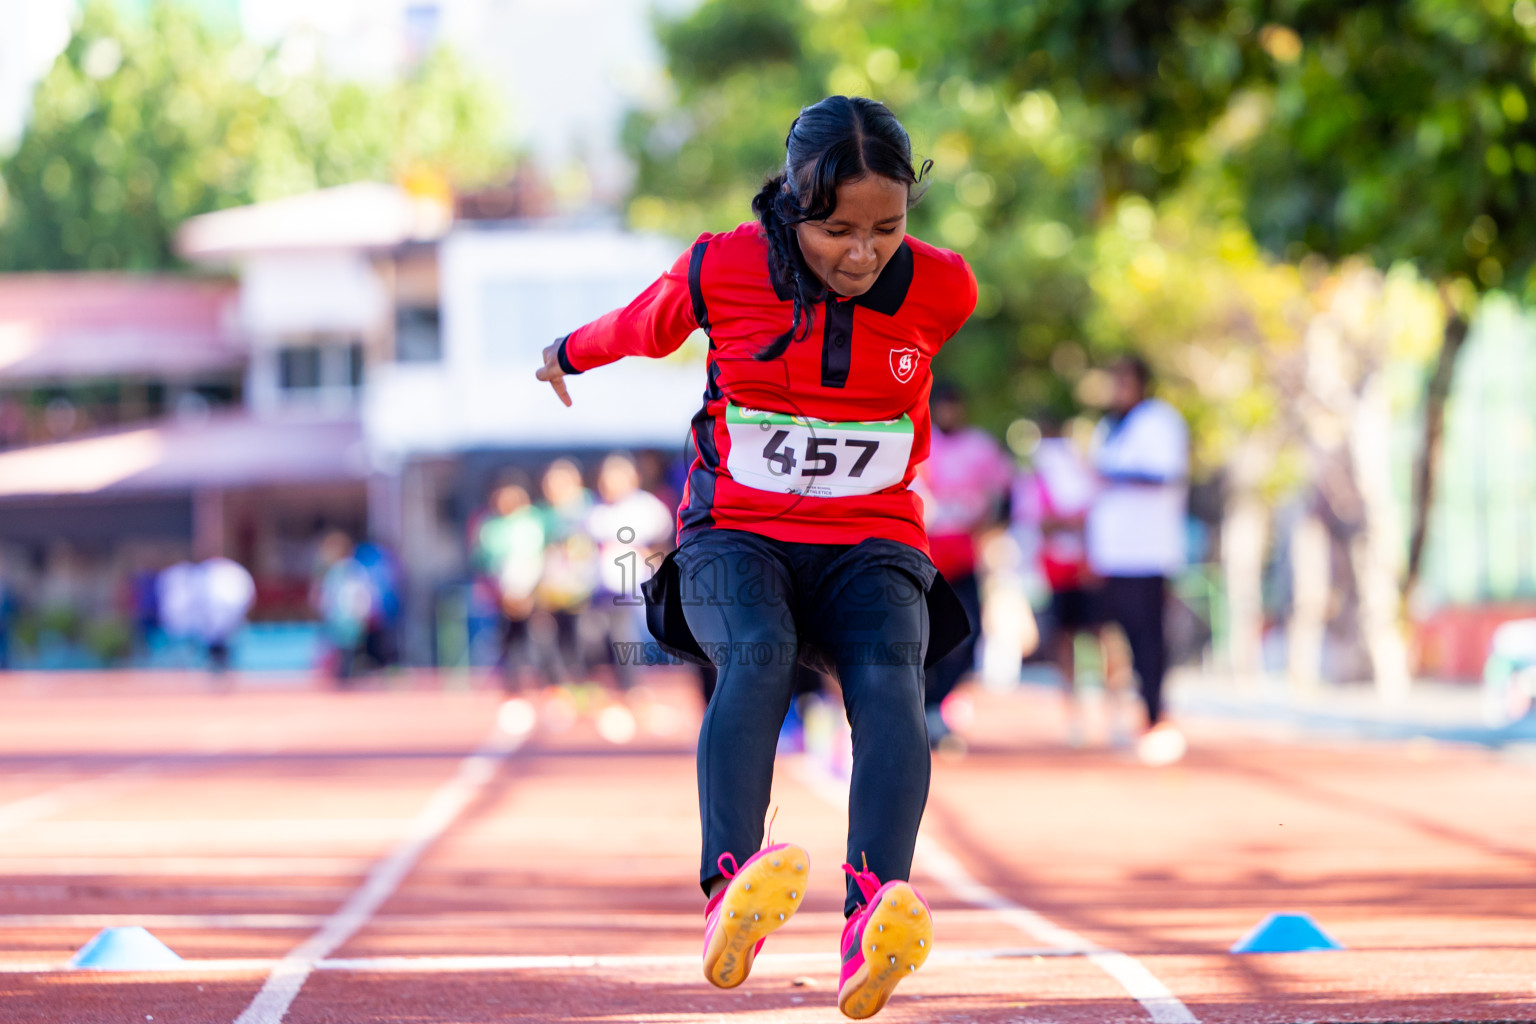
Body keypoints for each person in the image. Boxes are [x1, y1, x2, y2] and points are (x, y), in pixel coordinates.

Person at [536, 96, 975, 1019]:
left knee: (895, 687)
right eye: (837, 230)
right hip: (736, 537)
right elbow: (639, 323)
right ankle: (731, 886)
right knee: (760, 658)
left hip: (872, 543)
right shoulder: (724, 267)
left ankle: (872, 919)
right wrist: (566, 355)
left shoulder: (944, 289)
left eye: (886, 230)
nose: (862, 253)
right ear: (791, 208)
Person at [1086, 356, 1190, 766]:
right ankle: (1132, 712)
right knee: (1118, 637)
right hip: (1112, 554)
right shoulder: (1107, 427)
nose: (1118, 388)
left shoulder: (1160, 421)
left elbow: (1164, 473)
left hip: (1148, 552)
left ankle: (1156, 715)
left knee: (1149, 637)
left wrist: (1114, 474)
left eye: (1125, 381)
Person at [913, 381, 1014, 750]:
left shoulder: (981, 447)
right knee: (923, 633)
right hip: (926, 552)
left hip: (966, 551)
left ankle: (939, 704)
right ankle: (921, 708)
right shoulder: (920, 444)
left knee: (969, 632)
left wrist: (990, 527)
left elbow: (1006, 494)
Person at [1027, 417, 1101, 745]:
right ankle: (1075, 716)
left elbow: (1093, 520)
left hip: (1088, 571)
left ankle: (1111, 711)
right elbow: (1042, 523)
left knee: (1103, 639)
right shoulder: (1039, 478)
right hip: (1057, 573)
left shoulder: (1084, 473)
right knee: (1064, 644)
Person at [474, 481, 546, 690]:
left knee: (540, 641)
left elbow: (538, 560)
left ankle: (545, 688)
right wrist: (498, 592)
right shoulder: (490, 526)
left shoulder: (532, 523)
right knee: (508, 643)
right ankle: (513, 689)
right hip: (502, 596)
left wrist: (530, 592)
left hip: (531, 594)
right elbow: (484, 563)